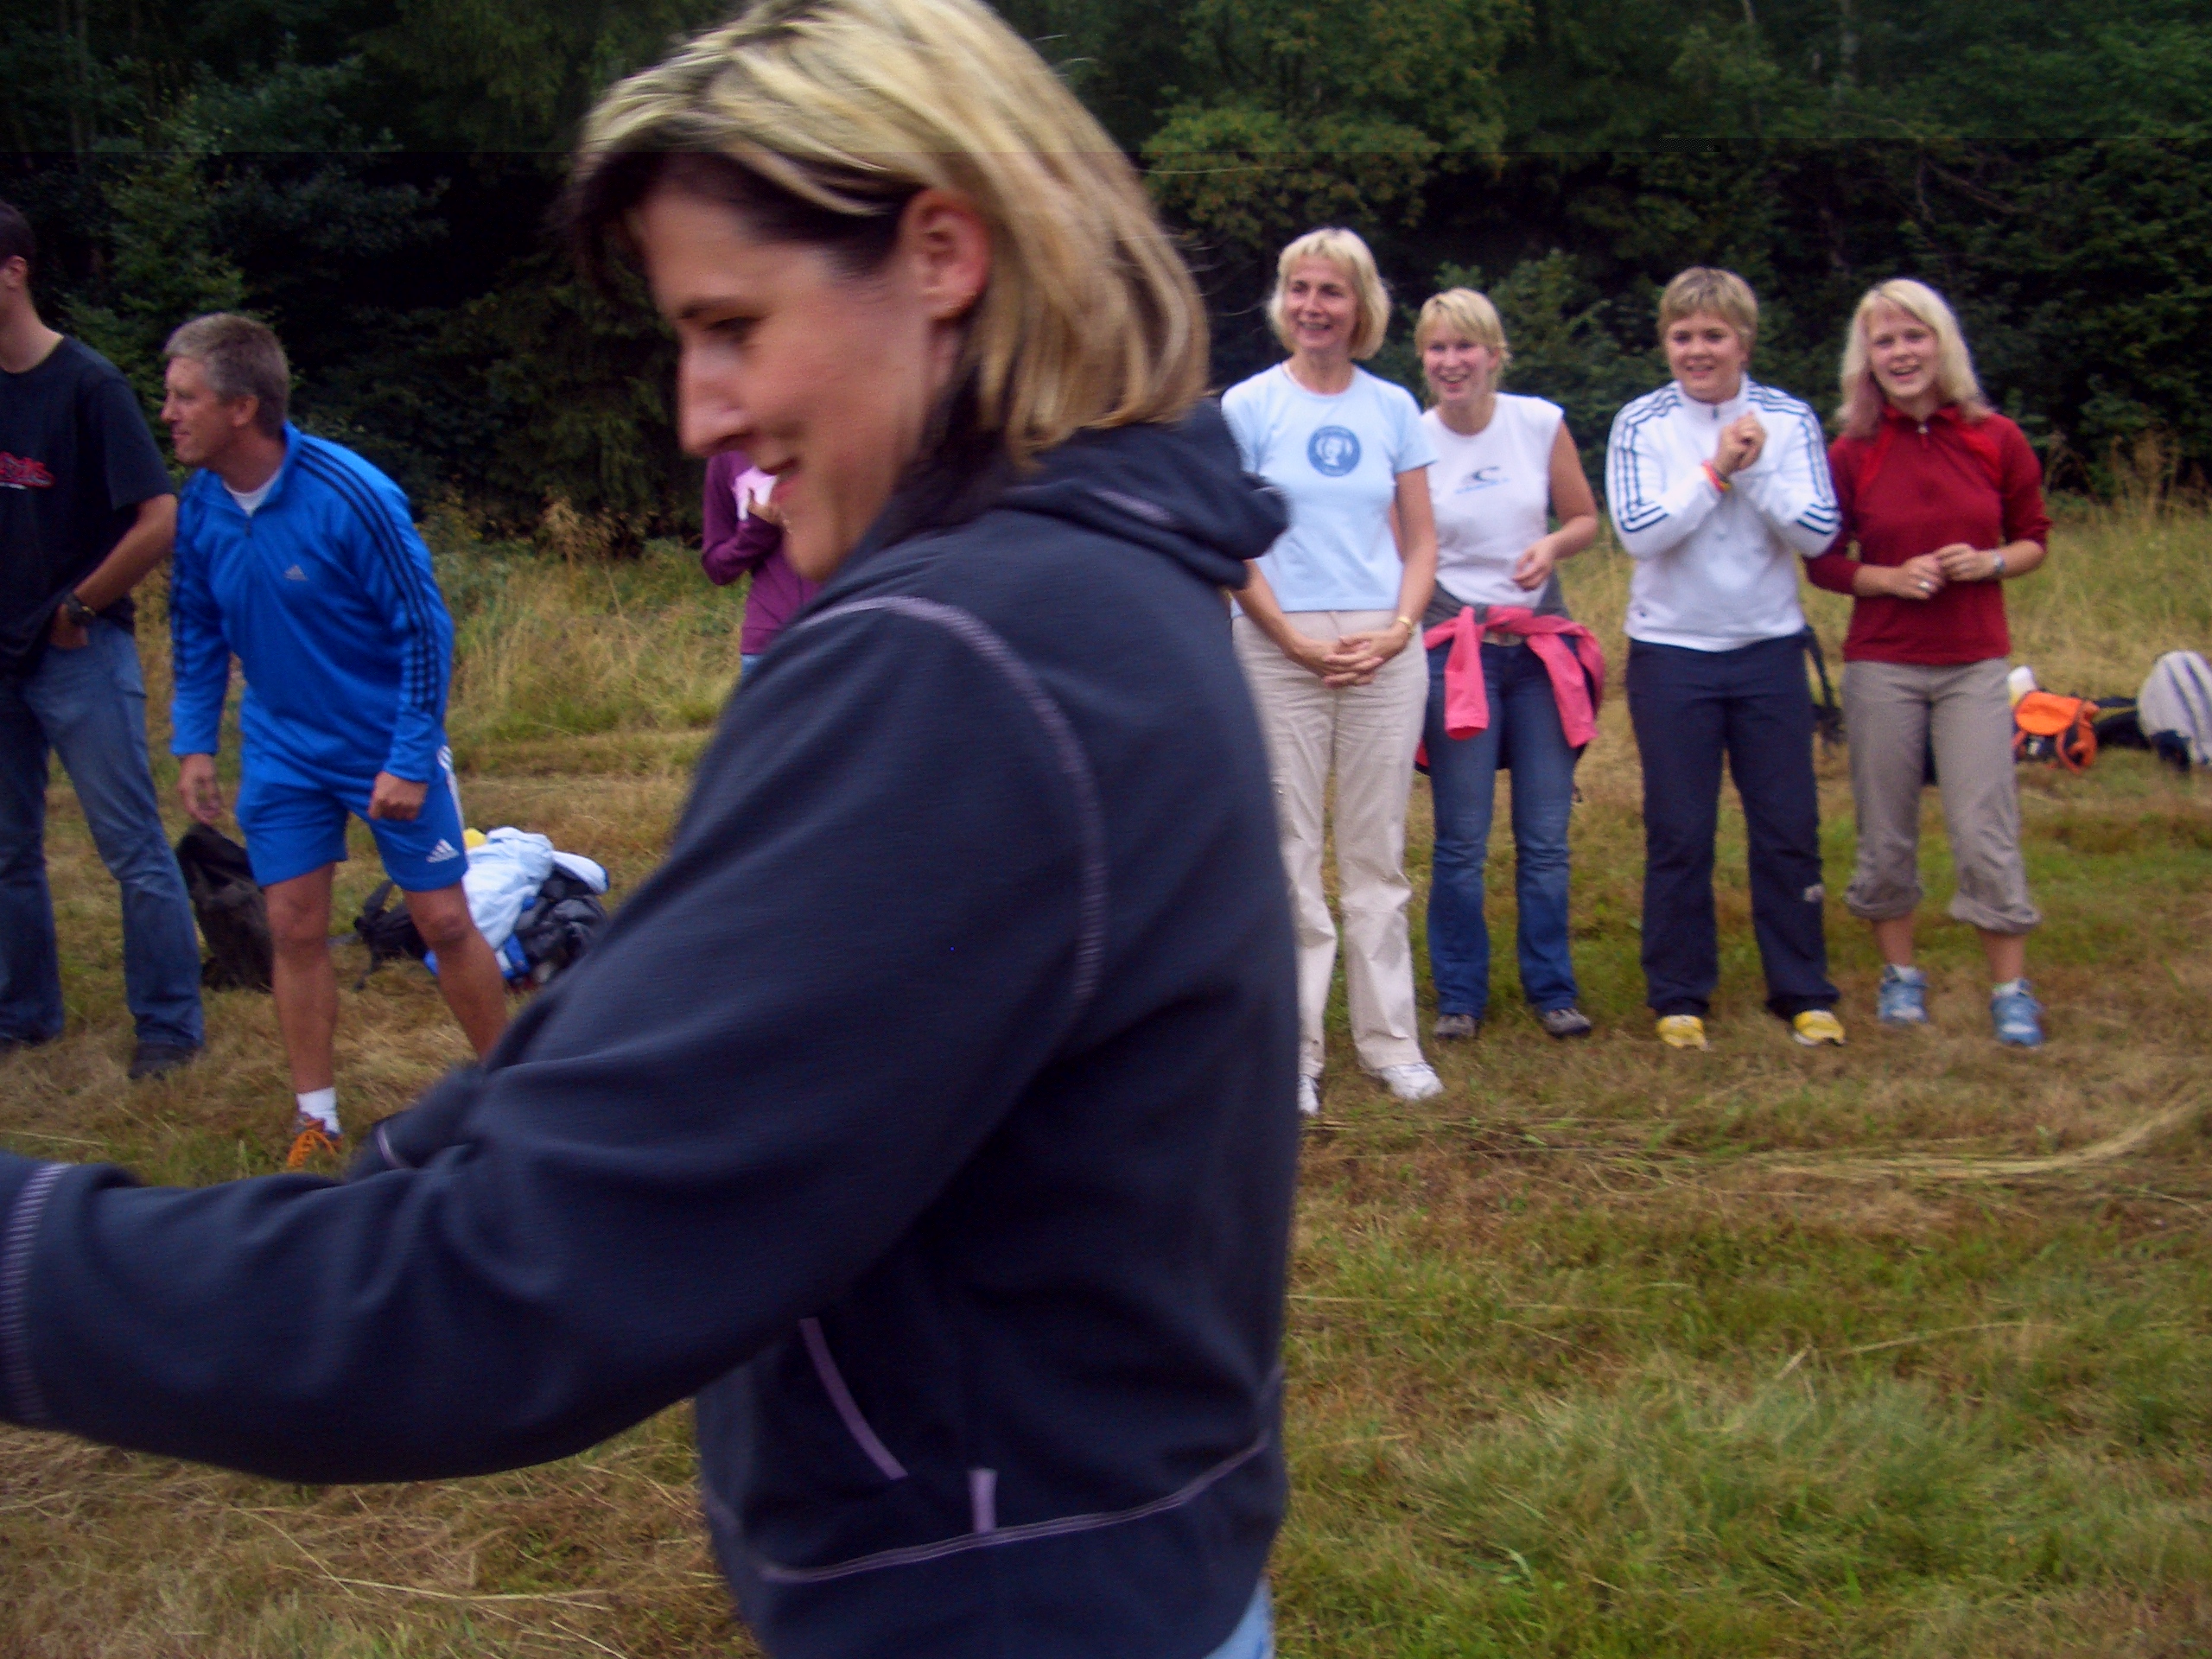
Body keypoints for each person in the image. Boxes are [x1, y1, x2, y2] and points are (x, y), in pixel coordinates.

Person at [0, 4, 1298, 1657]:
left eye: (732, 324)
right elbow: (671, 1023)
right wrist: (405, 1155)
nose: (698, 414)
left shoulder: (963, 666)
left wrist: (30, 1261)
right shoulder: (1095, 578)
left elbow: (511, 1283)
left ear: (942, 255)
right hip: (1129, 1571)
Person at [161, 314, 509, 1166]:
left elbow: (424, 629)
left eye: (183, 397)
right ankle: (315, 1120)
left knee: (442, 920)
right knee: (291, 925)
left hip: (382, 737)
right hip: (281, 747)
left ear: (242, 407)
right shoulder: (201, 504)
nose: (167, 413)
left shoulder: (351, 496)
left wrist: (408, 756)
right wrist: (195, 742)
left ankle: (516, 1096)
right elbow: (196, 626)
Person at [1224, 226, 1443, 1116]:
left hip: (1383, 649)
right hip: (1277, 649)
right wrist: (1285, 636)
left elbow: (1422, 541)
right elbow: (1230, 544)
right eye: (1300, 289)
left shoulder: (1392, 407)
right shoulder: (1247, 406)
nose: (1313, 307)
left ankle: (1392, 1045)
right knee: (1287, 853)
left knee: (1375, 855)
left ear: (1361, 307)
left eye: (1332, 291)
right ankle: (1295, 1052)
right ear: (1283, 301)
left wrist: (1399, 630)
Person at [1805, 279, 2050, 1046]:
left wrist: (1989, 562)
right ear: (1866, 359)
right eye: (1885, 341)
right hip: (1883, 665)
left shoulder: (1996, 437)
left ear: (1942, 344)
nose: (1902, 353)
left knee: (1985, 830)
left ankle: (2010, 988)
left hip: (1974, 663)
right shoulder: (1850, 451)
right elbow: (1823, 561)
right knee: (1886, 833)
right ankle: (1900, 977)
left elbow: (2034, 537)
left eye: (1915, 336)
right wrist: (1888, 578)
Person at [1606, 267, 1846, 1051]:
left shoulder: (1789, 417)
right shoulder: (1640, 422)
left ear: (1744, 341)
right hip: (1671, 655)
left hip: (1769, 650)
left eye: (1714, 335)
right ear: (1665, 343)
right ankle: (1679, 995)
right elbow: (1639, 532)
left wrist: (1756, 469)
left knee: (1787, 827)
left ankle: (1803, 991)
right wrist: (1715, 472)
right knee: (1680, 830)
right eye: (1682, 336)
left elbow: (1819, 533)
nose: (1697, 350)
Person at [0, 198, 204, 1080]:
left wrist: (79, 608)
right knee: (8, 852)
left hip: (78, 653)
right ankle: (23, 1016)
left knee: (131, 847)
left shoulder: (89, 387)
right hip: (2, 659)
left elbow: (160, 518)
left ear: (14, 271)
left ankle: (169, 1025)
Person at [1414, 287, 1602, 1043]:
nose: (1452, 362)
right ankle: (1460, 996)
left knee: (1545, 838)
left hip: (1538, 655)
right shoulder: (1412, 438)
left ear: (1494, 354)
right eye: (1437, 348)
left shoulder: (1539, 422)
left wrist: (1551, 546)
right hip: (1456, 656)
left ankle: (1553, 989)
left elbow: (1583, 518)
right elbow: (1406, 551)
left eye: (1466, 346)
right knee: (1461, 840)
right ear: (1424, 359)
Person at [702, 447, 819, 672]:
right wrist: (758, 529)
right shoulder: (728, 455)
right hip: (767, 646)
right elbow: (717, 568)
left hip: (847, 633)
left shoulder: (838, 436)